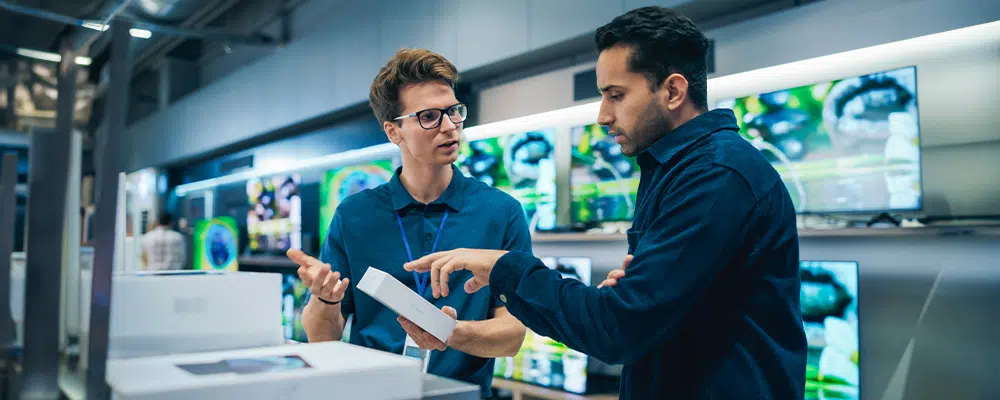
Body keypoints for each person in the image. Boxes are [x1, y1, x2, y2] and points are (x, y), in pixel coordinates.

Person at [403, 7, 807, 400]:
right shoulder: (677, 169)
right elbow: (645, 316)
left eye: (616, 96)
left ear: (672, 91)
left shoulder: (716, 177)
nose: (602, 115)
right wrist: (641, 291)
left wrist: (503, 267)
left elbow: (616, 329)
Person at [286, 48, 530, 397]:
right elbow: (322, 337)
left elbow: (512, 335)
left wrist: (449, 332)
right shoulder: (354, 215)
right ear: (393, 131)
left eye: (453, 112)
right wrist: (324, 300)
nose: (449, 127)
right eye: (429, 116)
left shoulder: (501, 211)